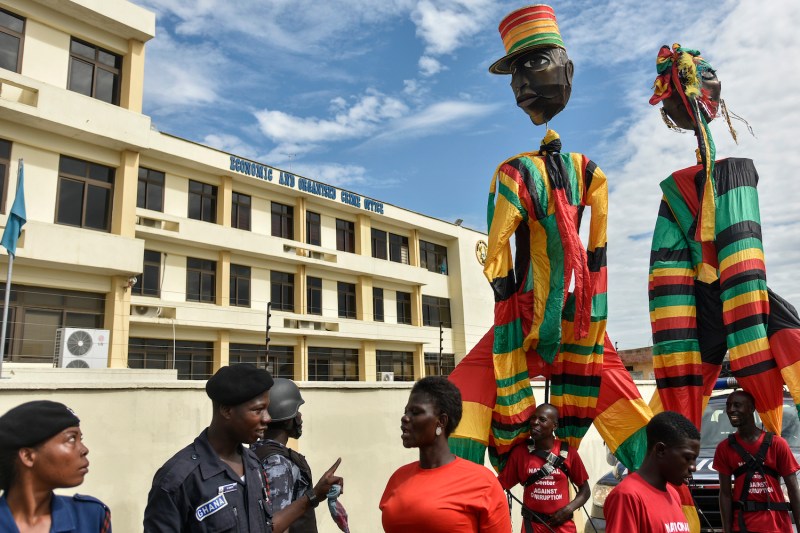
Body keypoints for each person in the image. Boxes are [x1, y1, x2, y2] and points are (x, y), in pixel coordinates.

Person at [647, 42, 800, 435]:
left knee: (767, 329)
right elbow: (666, 274)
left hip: (731, 290)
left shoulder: (730, 178)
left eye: (670, 103)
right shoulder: (679, 191)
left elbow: (744, 265)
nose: (666, 112)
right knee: (683, 382)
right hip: (703, 297)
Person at [144, 363, 342, 532]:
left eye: (267, 408)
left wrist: (314, 495)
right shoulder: (178, 479)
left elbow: (266, 527)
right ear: (227, 411)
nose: (268, 418)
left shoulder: (252, 464)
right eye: (258, 410)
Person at [380, 376, 511, 532]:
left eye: (415, 412)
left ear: (441, 421)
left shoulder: (483, 483)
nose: (405, 418)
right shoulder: (398, 478)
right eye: (406, 411)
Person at [0, 400, 111, 532]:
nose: (84, 450)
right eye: (71, 439)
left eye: (80, 439)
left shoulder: (90, 516)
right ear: (28, 456)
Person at [713, 390, 800, 533]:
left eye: (737, 405)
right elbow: (725, 494)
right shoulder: (724, 448)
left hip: (776, 526)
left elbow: (793, 490)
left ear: (751, 408)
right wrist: (726, 530)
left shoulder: (777, 444)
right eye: (728, 406)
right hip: (742, 526)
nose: (730, 410)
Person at [498, 404, 589, 533]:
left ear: (554, 426)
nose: (535, 422)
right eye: (533, 418)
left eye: (542, 420)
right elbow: (500, 485)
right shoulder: (520, 453)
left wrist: (568, 509)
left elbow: (585, 490)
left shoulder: (568, 453)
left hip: (562, 527)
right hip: (532, 527)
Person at [604, 411, 700, 533]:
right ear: (660, 450)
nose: (693, 467)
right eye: (687, 458)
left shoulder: (673, 494)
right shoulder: (627, 496)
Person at [252, 378, 318, 533]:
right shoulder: (277, 463)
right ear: (287, 418)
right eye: (296, 411)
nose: (300, 416)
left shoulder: (254, 452)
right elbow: (277, 524)